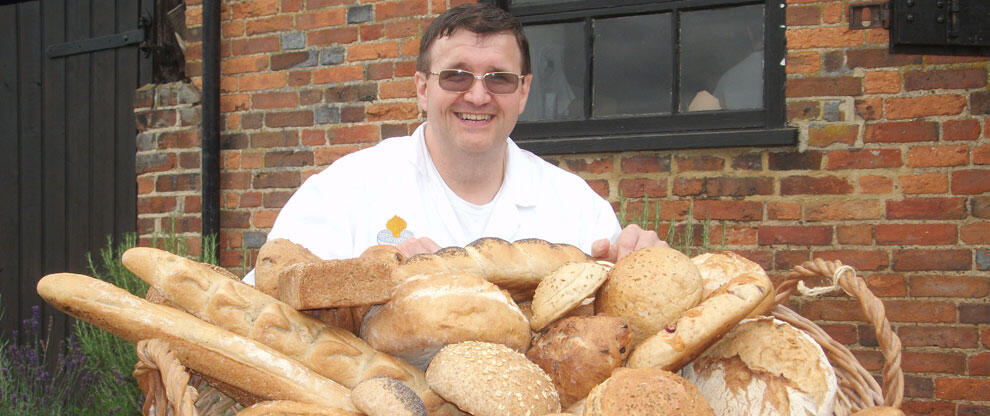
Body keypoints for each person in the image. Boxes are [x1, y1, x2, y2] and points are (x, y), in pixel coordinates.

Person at [243, 4, 663, 284]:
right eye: (455, 76)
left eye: (499, 77)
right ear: (423, 89)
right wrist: (369, 278)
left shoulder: (574, 206)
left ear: (523, 91)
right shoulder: (345, 190)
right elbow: (263, 302)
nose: (478, 96)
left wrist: (640, 264)